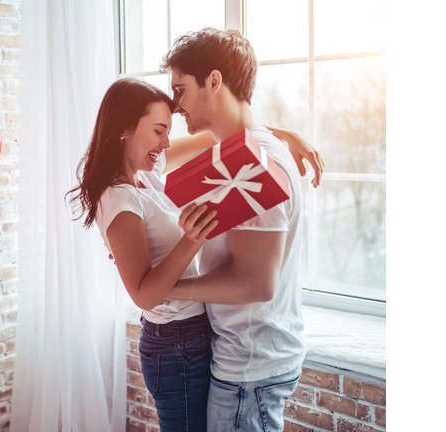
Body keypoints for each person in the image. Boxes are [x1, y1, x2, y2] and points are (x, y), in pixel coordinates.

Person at [67, 76, 322, 431]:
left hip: (194, 331)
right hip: (173, 343)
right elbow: (143, 294)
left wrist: (282, 135)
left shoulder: (148, 172)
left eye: (168, 131)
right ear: (125, 128)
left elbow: (214, 135)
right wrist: (192, 239)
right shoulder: (121, 199)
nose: (166, 142)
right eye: (158, 131)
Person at [160, 27, 311, 432]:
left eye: (180, 90)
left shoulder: (250, 168)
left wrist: (167, 287)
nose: (175, 107)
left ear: (214, 80)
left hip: (250, 369)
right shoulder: (245, 153)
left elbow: (256, 283)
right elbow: (148, 156)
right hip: (254, 360)